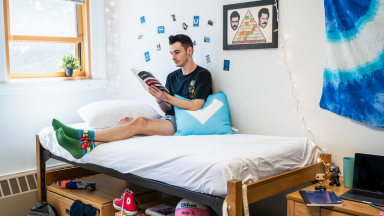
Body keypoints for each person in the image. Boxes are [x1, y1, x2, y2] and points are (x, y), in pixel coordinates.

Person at [52, 34, 213, 159]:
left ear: (189, 51)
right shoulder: (172, 76)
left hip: (183, 123)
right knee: (124, 121)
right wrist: (159, 99)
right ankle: (84, 147)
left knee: (139, 122)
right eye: (171, 53)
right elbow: (167, 109)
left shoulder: (202, 75)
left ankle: (81, 136)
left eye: (176, 52)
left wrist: (167, 97)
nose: (173, 57)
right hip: (170, 118)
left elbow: (196, 105)